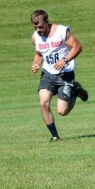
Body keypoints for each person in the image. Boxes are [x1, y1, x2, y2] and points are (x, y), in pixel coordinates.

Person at [30, 9, 88, 141]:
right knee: (43, 103)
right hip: (48, 74)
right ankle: (55, 136)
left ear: (47, 22)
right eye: (35, 27)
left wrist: (65, 60)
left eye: (40, 26)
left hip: (65, 75)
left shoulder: (61, 32)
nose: (38, 30)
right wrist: (35, 64)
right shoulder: (35, 37)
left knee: (62, 111)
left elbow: (77, 47)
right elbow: (39, 53)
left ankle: (75, 90)